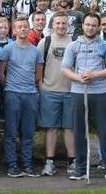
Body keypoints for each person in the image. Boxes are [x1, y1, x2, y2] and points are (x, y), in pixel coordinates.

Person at [61, 13, 106, 182]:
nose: (90, 27)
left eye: (94, 25)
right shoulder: (73, 46)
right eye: (87, 24)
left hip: (100, 92)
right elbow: (65, 69)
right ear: (83, 25)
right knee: (79, 131)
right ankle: (80, 169)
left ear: (98, 27)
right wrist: (78, 77)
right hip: (79, 92)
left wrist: (95, 75)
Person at [0, 17, 44, 178]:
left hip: (31, 95)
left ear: (29, 29)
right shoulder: (8, 50)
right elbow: (1, 73)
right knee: (11, 131)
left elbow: (38, 75)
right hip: (12, 94)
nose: (23, 29)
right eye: (19, 27)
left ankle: (27, 165)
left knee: (28, 132)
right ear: (15, 30)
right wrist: (10, 86)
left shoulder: (36, 51)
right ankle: (12, 165)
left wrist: (29, 86)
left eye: (26, 26)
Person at [37, 11, 76, 176]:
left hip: (71, 91)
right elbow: (38, 68)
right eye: (57, 23)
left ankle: (73, 162)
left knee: (70, 128)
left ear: (68, 25)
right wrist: (40, 86)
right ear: (52, 25)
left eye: (63, 23)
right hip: (49, 91)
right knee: (50, 128)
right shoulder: (44, 42)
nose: (61, 26)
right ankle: (49, 162)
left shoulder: (75, 42)